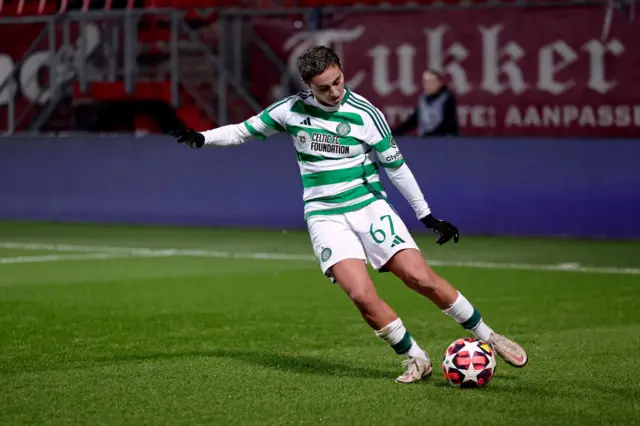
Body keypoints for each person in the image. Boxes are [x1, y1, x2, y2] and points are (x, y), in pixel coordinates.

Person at [169, 46, 527, 384]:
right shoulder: (289, 110)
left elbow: (397, 168)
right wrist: (202, 138)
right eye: (323, 88)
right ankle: (416, 357)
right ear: (308, 87)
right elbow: (242, 130)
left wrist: (427, 215)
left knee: (420, 278)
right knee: (360, 295)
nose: (335, 92)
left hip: (368, 205)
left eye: (338, 81)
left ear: (342, 73)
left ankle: (488, 335)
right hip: (324, 215)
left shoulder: (367, 114)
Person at [392, 69, 459, 137]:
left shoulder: (447, 98)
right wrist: (396, 132)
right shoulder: (422, 99)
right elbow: (413, 120)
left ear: (439, 83)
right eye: (425, 81)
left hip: (445, 141)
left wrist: (432, 135)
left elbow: (448, 123)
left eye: (430, 81)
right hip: (426, 141)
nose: (427, 84)